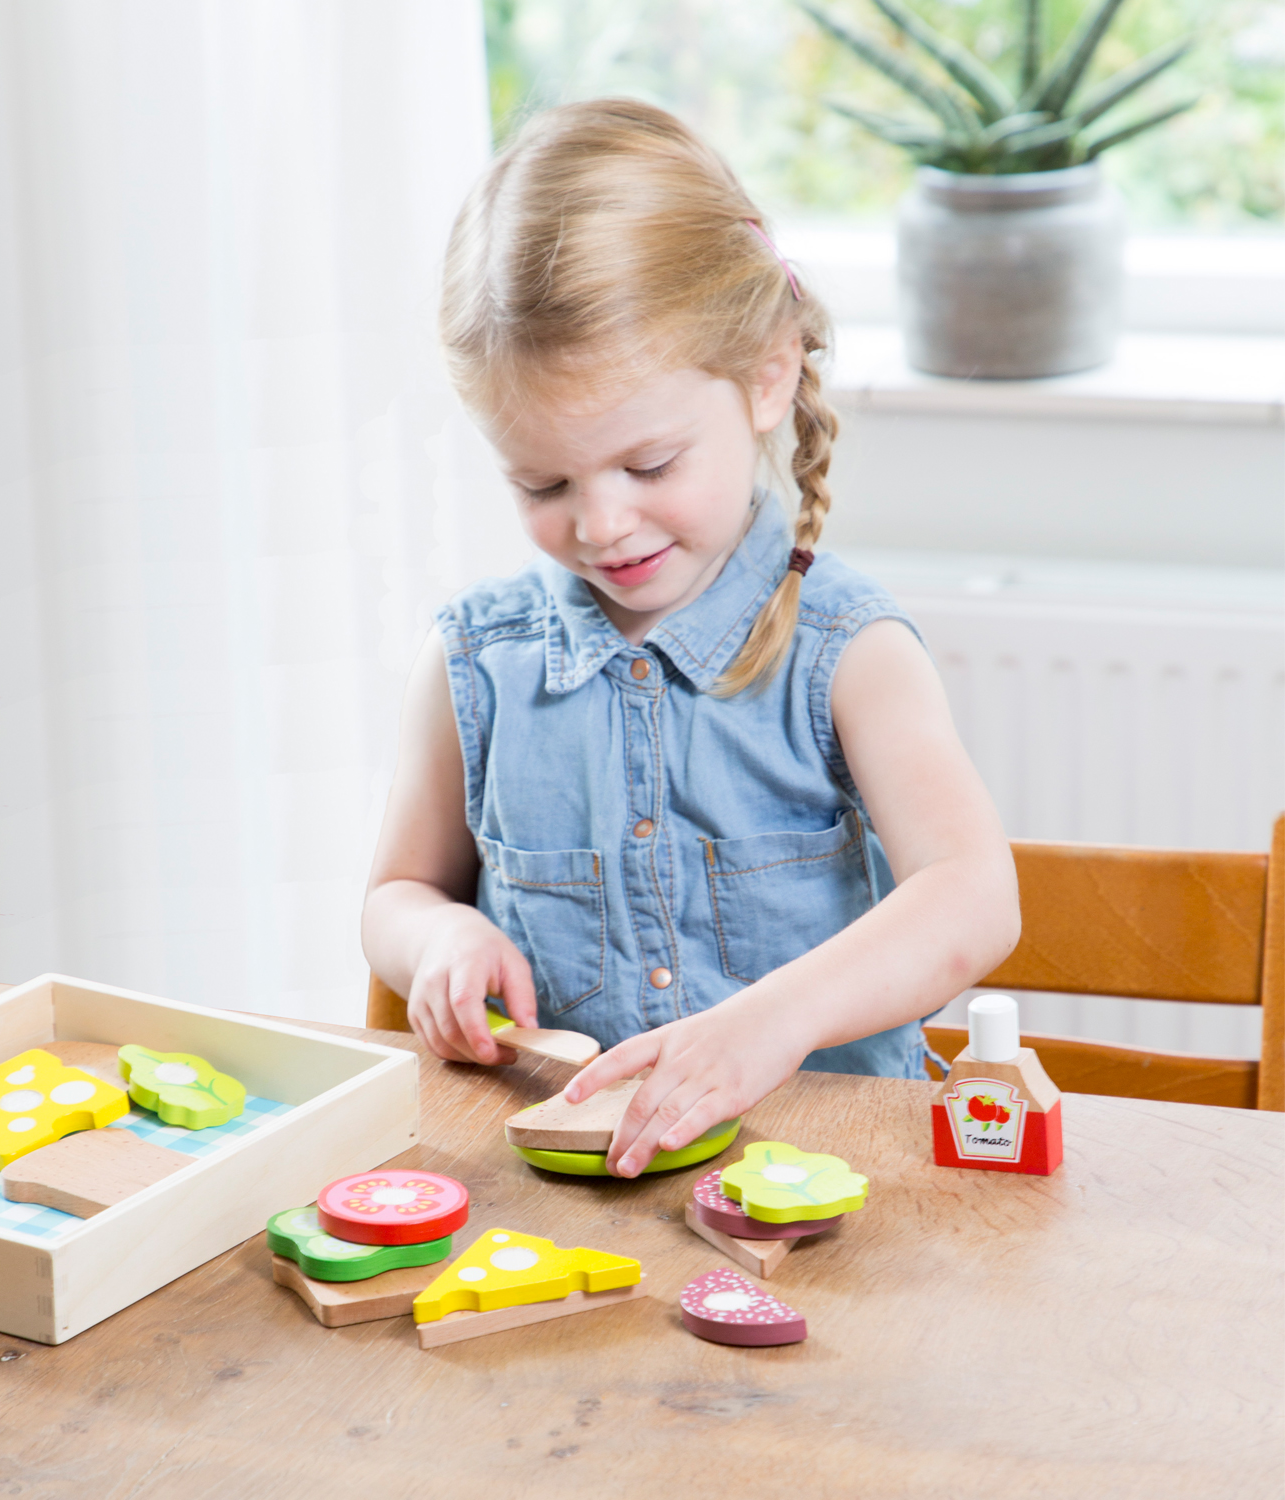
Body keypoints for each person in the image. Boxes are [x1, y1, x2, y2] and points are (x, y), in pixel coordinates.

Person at [361, 98, 1019, 1177]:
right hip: (561, 1199)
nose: (601, 522)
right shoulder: (475, 664)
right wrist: (435, 940)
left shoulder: (847, 651)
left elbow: (973, 894)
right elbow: (397, 892)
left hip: (828, 1191)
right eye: (543, 481)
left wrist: (777, 1021)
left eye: (650, 465)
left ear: (768, 376)